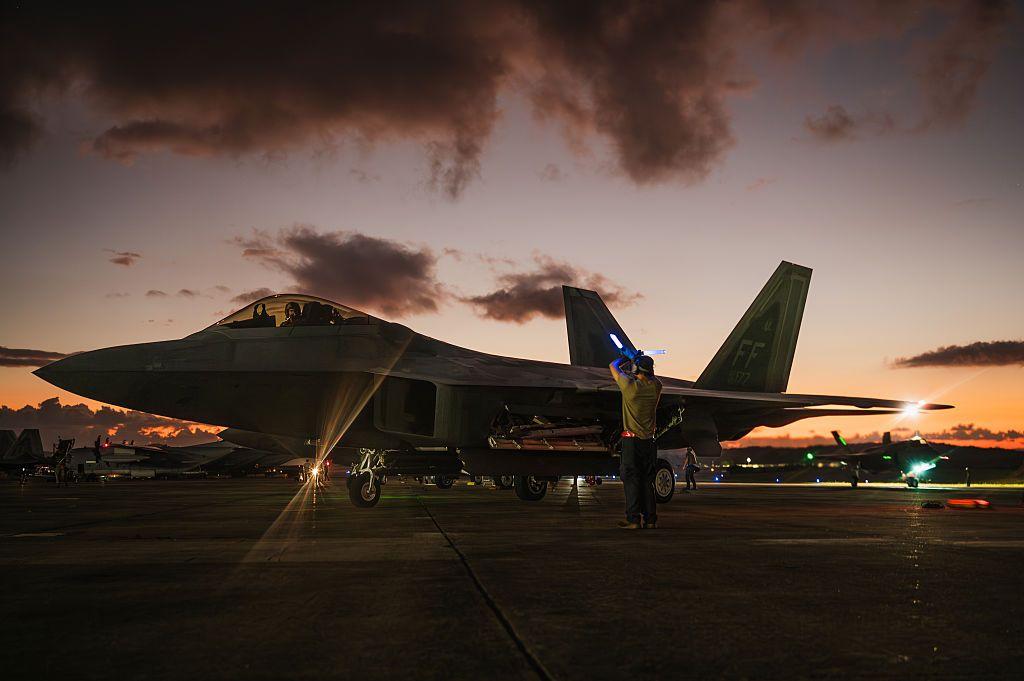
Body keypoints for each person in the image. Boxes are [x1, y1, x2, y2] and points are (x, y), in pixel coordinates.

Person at [610, 353, 662, 529]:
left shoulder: (630, 387)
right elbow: (653, 378)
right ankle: (650, 520)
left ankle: (633, 520)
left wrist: (626, 357)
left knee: (631, 479)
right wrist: (638, 363)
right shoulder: (656, 387)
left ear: (636, 369)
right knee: (647, 481)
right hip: (649, 442)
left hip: (631, 442)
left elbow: (613, 366)